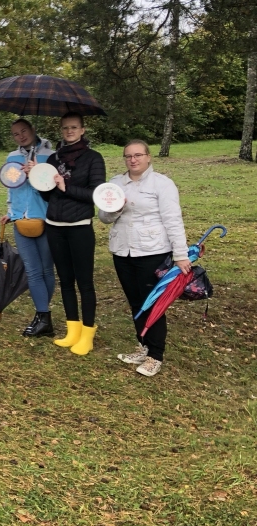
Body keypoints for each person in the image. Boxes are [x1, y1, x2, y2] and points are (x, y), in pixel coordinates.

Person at [98, 140, 188, 376]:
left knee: (153, 304)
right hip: (123, 251)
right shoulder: (116, 184)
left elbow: (173, 220)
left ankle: (155, 356)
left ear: (148, 157)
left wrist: (180, 254)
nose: (133, 160)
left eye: (138, 155)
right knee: (136, 303)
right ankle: (143, 346)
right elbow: (104, 217)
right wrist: (116, 208)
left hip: (152, 252)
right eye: (128, 156)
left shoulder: (162, 184)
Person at [42, 113, 106, 356]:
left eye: (74, 127)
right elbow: (47, 195)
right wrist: (38, 179)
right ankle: (72, 329)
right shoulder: (53, 158)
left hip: (79, 226)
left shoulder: (93, 158)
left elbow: (96, 195)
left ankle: (87, 334)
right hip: (54, 225)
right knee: (65, 280)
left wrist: (65, 186)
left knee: (84, 282)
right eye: (65, 128)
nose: (69, 131)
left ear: (82, 130)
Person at [0, 119, 56, 337]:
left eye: (24, 131)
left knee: (46, 269)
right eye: (16, 134)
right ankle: (43, 315)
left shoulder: (50, 156)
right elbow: (11, 187)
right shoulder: (12, 158)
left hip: (45, 217)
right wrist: (11, 211)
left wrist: (37, 171)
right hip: (20, 220)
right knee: (32, 270)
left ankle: (43, 316)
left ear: (33, 129)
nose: (21, 136)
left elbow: (53, 187)